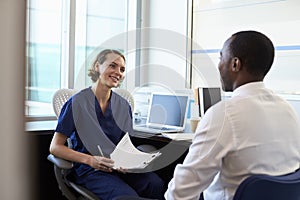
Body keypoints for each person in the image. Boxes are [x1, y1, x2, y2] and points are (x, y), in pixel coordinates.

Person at [165, 30, 300, 200]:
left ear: (235, 64)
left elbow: (179, 193)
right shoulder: (287, 110)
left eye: (221, 58)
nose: (219, 65)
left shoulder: (224, 114)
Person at [50, 49, 165, 200]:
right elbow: (55, 147)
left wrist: (133, 160)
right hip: (90, 170)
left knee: (155, 184)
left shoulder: (123, 105)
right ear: (97, 66)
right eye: (112, 66)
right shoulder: (77, 103)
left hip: (118, 167)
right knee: (126, 197)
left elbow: (126, 144)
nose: (118, 72)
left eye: (122, 69)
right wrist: (90, 160)